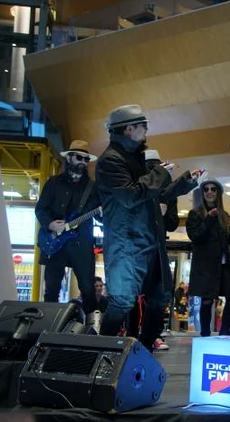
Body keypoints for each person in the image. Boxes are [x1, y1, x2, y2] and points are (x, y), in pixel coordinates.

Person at [95, 104, 200, 352]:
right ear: (129, 129)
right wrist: (160, 173)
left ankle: (142, 349)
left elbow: (154, 193)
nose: (146, 130)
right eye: (143, 126)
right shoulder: (110, 161)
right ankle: (101, 351)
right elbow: (131, 196)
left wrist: (185, 183)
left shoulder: (136, 157)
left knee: (161, 295)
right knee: (123, 301)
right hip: (126, 243)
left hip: (149, 240)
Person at [126, 149, 186, 351]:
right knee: (136, 296)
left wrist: (164, 213)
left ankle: (148, 338)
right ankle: (132, 337)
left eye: (155, 166)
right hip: (137, 248)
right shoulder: (137, 186)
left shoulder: (168, 189)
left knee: (158, 295)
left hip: (157, 250)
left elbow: (172, 223)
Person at [35, 140, 100, 314]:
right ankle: (50, 325)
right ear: (69, 158)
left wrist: (104, 212)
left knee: (88, 290)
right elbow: (41, 209)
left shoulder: (93, 187)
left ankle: (91, 328)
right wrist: (50, 224)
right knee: (51, 290)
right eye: (79, 157)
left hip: (81, 244)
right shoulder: (53, 183)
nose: (83, 162)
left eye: (86, 159)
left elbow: (100, 216)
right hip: (55, 243)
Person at [186, 179, 230, 337]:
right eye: (206, 189)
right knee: (207, 301)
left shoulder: (223, 215)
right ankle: (205, 333)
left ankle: (224, 330)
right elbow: (195, 236)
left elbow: (226, 240)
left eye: (213, 189)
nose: (209, 192)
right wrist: (209, 219)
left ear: (218, 193)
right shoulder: (195, 214)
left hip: (223, 265)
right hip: (205, 266)